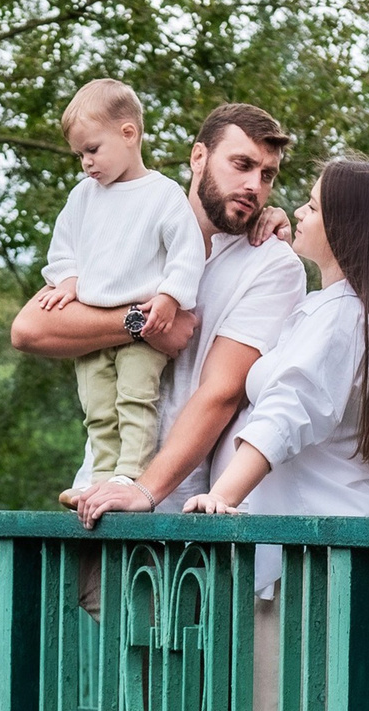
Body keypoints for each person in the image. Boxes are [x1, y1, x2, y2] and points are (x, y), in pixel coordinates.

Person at [178, 156, 369, 711]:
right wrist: (285, 239)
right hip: (355, 567)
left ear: (346, 229)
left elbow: (286, 413)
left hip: (311, 578)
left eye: (312, 205)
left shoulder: (340, 319)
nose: (297, 211)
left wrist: (225, 493)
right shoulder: (349, 311)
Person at [16, 103, 304, 518]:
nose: (253, 186)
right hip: (92, 496)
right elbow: (29, 329)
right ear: (198, 157)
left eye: (267, 175)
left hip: (180, 512)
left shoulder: (272, 263)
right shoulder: (129, 219)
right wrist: (142, 324)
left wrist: (144, 492)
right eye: (241, 165)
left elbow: (221, 393)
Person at [35, 80, 206, 488]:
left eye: (92, 150)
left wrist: (170, 297)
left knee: (135, 399)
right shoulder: (83, 197)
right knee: (97, 408)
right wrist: (68, 280)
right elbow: (63, 247)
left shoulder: (163, 195)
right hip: (91, 325)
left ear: (128, 134)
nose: (86, 163)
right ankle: (100, 478)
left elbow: (187, 252)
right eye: (80, 155)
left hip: (142, 327)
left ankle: (129, 473)